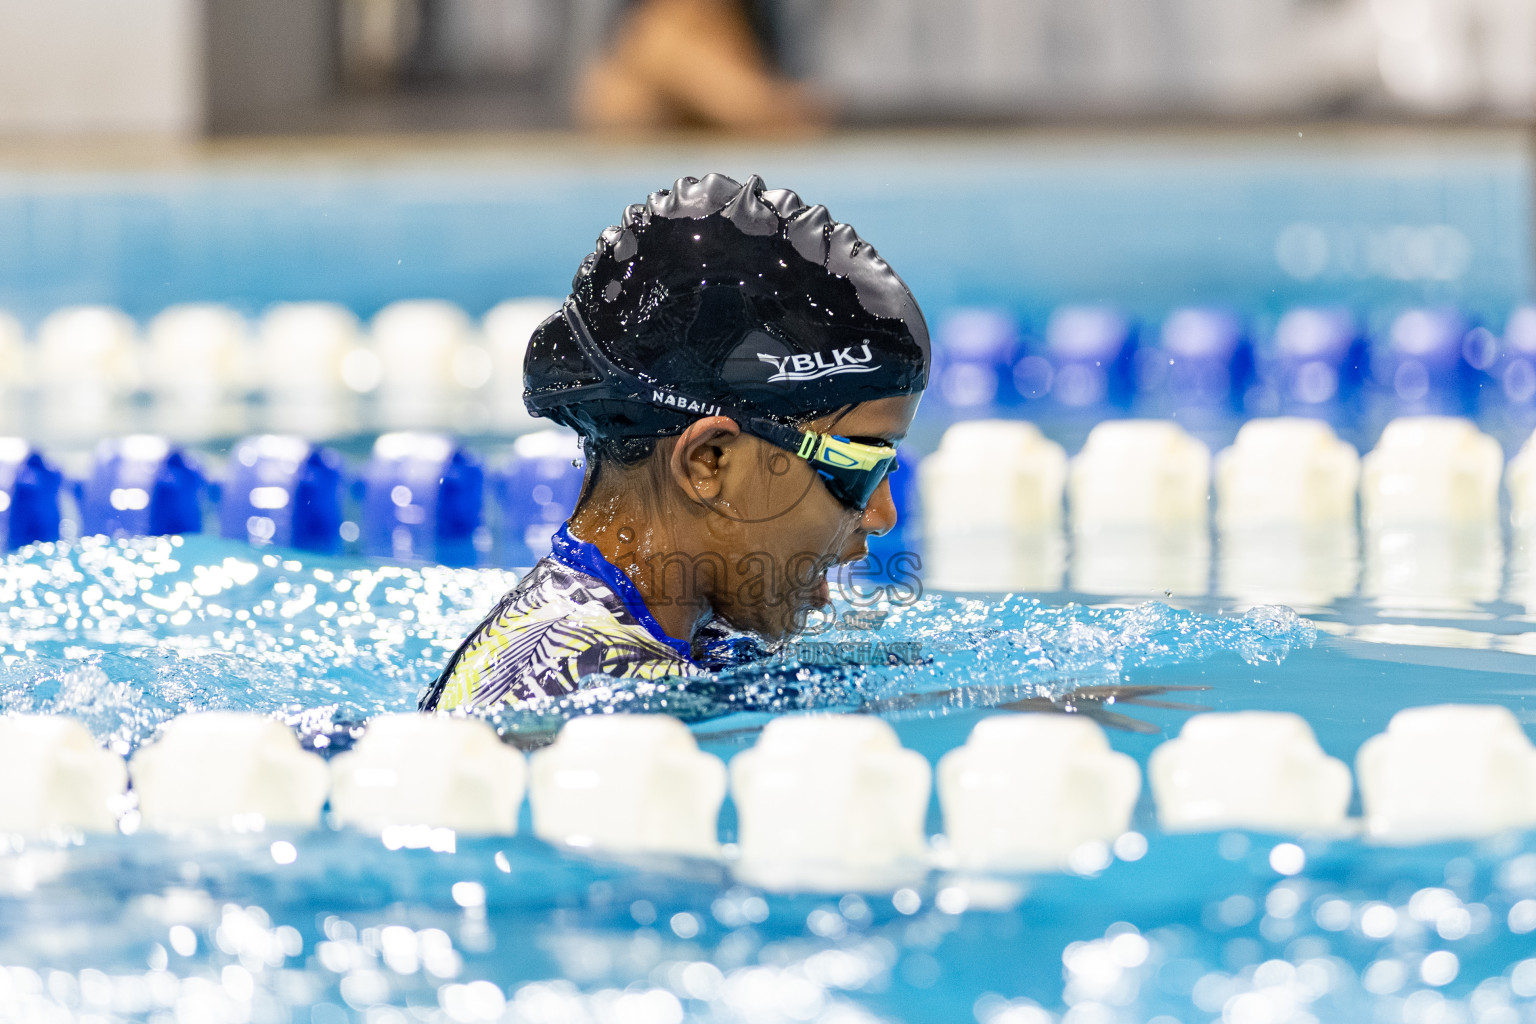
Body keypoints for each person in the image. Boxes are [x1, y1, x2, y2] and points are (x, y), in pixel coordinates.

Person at [419, 173, 929, 714]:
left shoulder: (644, 640)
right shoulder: (571, 709)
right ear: (709, 461)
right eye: (859, 468)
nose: (882, 514)